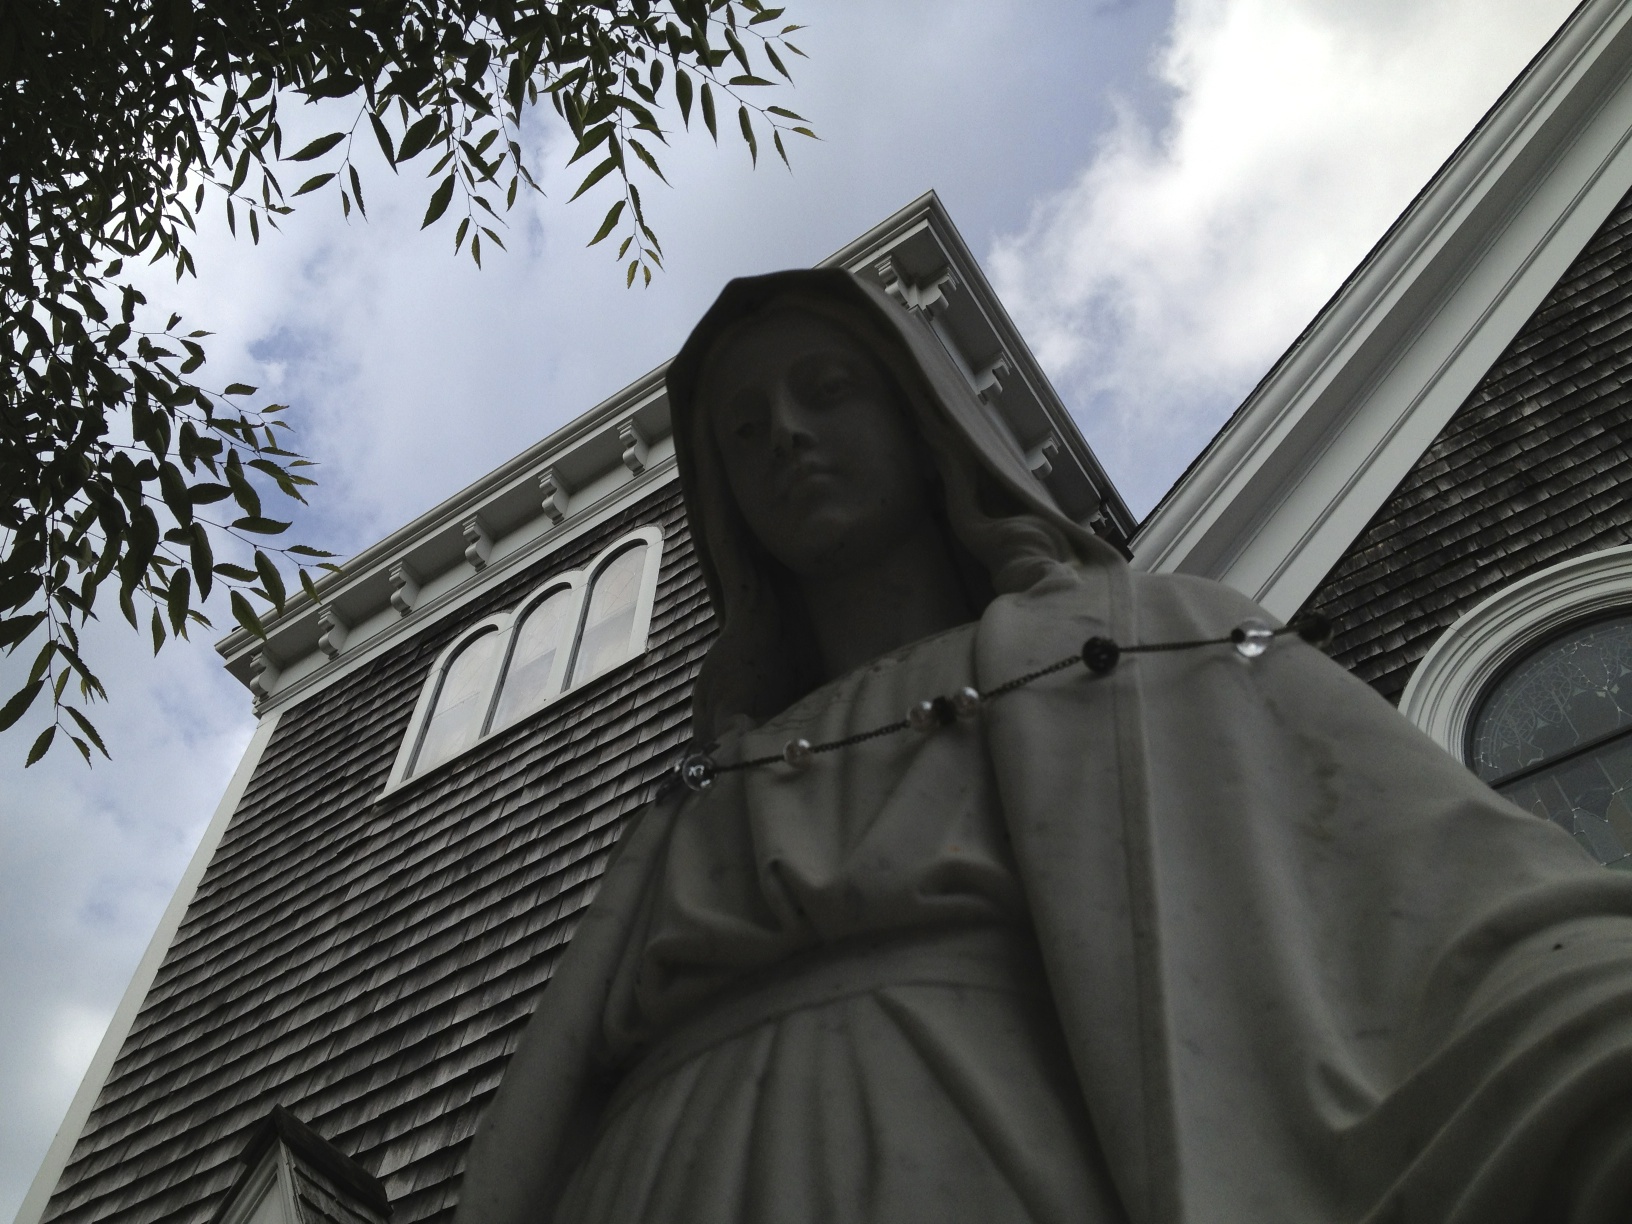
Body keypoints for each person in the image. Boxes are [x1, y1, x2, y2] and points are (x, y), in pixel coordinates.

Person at [453, 269, 1632, 1224]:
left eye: (828, 390)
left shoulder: (1137, 644)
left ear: (923, 425)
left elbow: (1442, 893)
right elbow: (543, 1126)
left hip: (981, 1147)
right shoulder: (699, 793)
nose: (788, 436)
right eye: (744, 429)